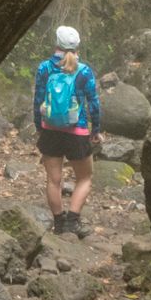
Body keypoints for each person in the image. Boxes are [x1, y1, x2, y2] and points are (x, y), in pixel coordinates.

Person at [34, 24, 101, 237]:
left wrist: (39, 128)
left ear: (56, 43)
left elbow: (38, 100)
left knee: (53, 180)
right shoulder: (84, 71)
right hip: (77, 133)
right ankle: (73, 222)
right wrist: (95, 130)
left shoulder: (44, 68)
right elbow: (94, 104)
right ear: (77, 45)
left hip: (50, 131)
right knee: (85, 178)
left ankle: (59, 224)